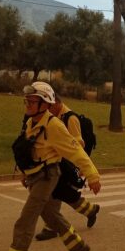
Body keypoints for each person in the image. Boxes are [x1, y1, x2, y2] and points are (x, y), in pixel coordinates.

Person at [0, 82, 101, 251]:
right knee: (51, 217)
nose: (28, 104)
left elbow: (76, 151)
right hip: (36, 177)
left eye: (32, 101)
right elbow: (33, 151)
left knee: (24, 222)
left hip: (47, 178)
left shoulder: (54, 126)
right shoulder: (32, 122)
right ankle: (78, 247)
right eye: (27, 101)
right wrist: (26, 174)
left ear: (44, 103)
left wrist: (93, 175)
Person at [35, 93, 100, 241]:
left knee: (57, 193)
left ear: (57, 103)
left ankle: (52, 227)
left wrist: (82, 169)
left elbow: (78, 145)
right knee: (62, 194)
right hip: (57, 163)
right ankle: (90, 210)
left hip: (66, 164)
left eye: (49, 106)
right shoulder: (53, 118)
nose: (47, 109)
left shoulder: (70, 118)